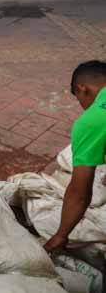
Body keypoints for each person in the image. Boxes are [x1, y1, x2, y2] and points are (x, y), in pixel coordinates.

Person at [43, 61, 106, 253]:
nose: (82, 106)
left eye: (78, 99)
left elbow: (80, 193)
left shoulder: (91, 120)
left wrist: (61, 235)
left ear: (82, 89)